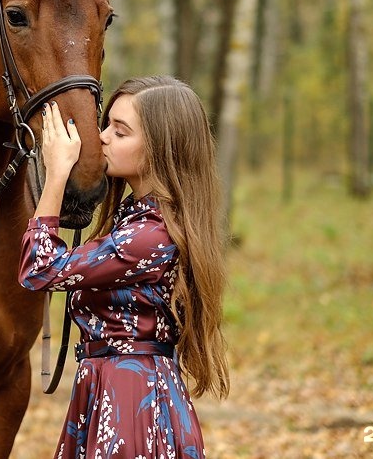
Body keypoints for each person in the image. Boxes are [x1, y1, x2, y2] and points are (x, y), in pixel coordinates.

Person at [19, 75, 230, 459]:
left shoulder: (149, 236)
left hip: (130, 400)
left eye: (120, 131)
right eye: (107, 125)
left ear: (159, 149)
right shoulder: (137, 220)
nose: (101, 137)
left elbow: (40, 269)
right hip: (114, 386)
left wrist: (56, 174)